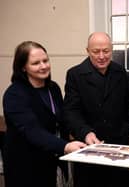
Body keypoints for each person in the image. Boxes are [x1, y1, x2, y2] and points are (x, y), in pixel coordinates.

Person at [2, 41, 86, 187]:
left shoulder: (53, 88)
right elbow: (32, 130)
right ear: (23, 67)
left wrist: (84, 134)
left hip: (52, 161)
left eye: (45, 60)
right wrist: (66, 146)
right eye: (36, 63)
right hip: (25, 166)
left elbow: (63, 120)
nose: (43, 66)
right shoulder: (14, 94)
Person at [63, 32, 129, 187]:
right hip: (89, 147)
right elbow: (71, 111)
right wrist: (85, 132)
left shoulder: (120, 71)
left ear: (112, 49)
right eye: (96, 51)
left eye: (106, 51)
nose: (102, 56)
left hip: (118, 147)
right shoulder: (75, 74)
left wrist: (127, 131)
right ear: (88, 51)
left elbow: (127, 107)